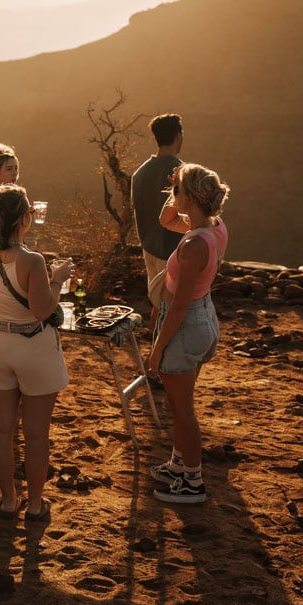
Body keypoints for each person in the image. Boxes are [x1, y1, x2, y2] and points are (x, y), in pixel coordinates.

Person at [0, 185, 75, 523]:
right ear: (23, 218)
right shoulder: (32, 260)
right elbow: (42, 310)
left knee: (0, 430)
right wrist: (57, 280)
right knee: (35, 433)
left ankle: (6, 500)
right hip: (33, 348)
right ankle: (34, 503)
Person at [148, 163, 230, 504]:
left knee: (182, 411)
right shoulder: (214, 226)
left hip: (186, 325)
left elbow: (178, 308)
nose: (173, 196)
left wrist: (157, 350)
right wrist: (178, 188)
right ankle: (179, 464)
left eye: (177, 191)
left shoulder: (193, 246)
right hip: (204, 316)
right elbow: (166, 220)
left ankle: (192, 482)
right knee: (183, 404)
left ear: (193, 198)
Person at [131, 114, 184, 327]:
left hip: (149, 247)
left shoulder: (140, 173)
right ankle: (161, 354)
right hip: (172, 250)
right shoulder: (180, 172)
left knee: (157, 303)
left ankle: (155, 346)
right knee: (173, 310)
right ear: (178, 136)